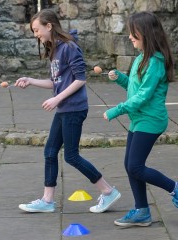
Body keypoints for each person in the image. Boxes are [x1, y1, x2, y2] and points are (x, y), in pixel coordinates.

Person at [15, 9, 121, 213]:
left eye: (37, 30)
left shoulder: (69, 47)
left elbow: (81, 79)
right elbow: (56, 82)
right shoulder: (54, 48)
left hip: (74, 109)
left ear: (49, 26)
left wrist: (57, 98)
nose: (36, 34)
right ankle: (47, 201)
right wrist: (30, 81)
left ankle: (108, 191)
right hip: (65, 108)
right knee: (50, 152)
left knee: (71, 156)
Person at [104, 11, 178, 227]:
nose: (129, 37)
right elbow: (134, 89)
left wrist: (116, 110)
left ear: (146, 34)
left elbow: (144, 97)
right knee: (130, 164)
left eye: (133, 33)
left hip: (151, 120)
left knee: (135, 166)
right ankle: (142, 211)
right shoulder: (141, 58)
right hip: (139, 119)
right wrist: (120, 78)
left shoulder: (155, 63)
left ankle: (174, 188)